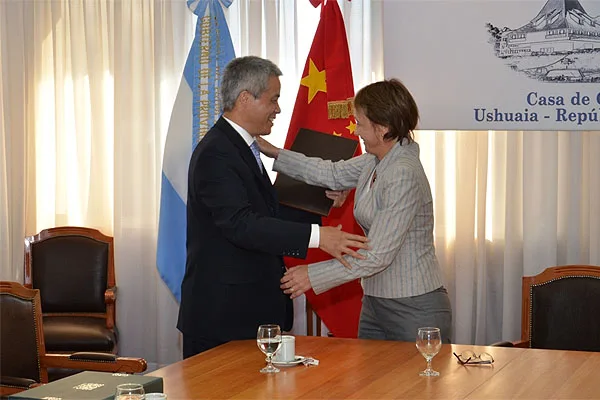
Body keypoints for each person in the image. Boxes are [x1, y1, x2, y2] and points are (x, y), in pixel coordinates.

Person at [177, 56, 369, 358]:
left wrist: (320, 205)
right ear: (244, 99)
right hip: (224, 319)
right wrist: (319, 237)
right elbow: (242, 225)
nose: (278, 109)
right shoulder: (217, 153)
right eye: (273, 99)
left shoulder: (239, 146)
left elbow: (266, 213)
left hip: (247, 314)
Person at [258, 79, 453, 343]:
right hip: (376, 301)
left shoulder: (403, 173)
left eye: (360, 123)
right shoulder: (377, 159)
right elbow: (331, 173)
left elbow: (377, 256)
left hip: (412, 307)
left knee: (416, 384)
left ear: (382, 128)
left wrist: (312, 275)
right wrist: (274, 152)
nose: (357, 130)